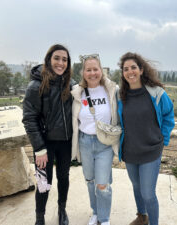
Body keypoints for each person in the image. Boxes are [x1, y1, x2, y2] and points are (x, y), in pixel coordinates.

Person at [117, 52, 175, 225]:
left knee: (148, 193)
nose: (130, 72)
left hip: (151, 151)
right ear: (123, 73)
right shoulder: (121, 96)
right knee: (137, 187)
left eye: (133, 67)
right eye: (126, 69)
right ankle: (142, 216)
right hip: (130, 152)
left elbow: (168, 115)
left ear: (141, 70)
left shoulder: (156, 93)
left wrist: (163, 140)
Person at [22, 44, 74, 225]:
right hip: (44, 145)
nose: (61, 63)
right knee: (44, 183)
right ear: (48, 60)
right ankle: (39, 218)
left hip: (66, 143)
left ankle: (62, 210)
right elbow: (29, 119)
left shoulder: (71, 85)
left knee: (64, 178)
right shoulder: (35, 86)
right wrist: (39, 148)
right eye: (57, 58)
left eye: (65, 59)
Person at [71, 54, 119, 225]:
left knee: (102, 185)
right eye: (88, 70)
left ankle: (104, 219)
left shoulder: (112, 90)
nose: (92, 73)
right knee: (90, 181)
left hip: (104, 144)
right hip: (84, 142)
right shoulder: (77, 92)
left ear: (101, 70)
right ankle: (96, 212)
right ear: (83, 72)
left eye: (95, 69)